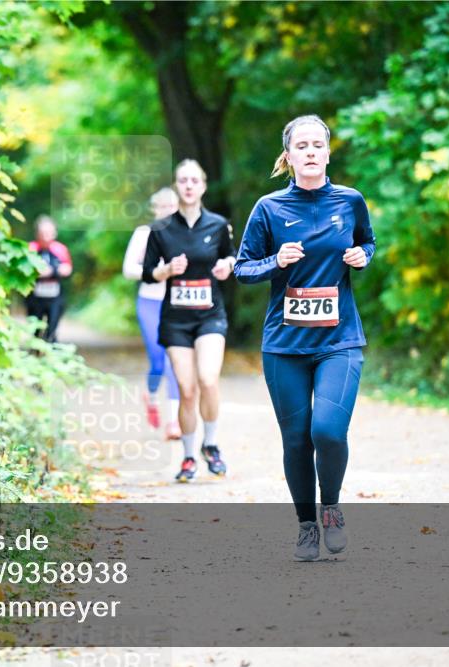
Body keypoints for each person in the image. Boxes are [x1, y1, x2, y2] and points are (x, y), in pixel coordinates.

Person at [234, 114, 376, 561]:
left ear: (328, 153)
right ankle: (306, 526)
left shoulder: (350, 201)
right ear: (289, 156)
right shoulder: (269, 208)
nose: (311, 151)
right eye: (302, 146)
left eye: (318, 145)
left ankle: (330, 507)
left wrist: (363, 255)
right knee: (296, 440)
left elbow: (368, 242)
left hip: (339, 341)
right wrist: (275, 261)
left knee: (328, 431)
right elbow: (243, 268)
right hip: (285, 346)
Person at [142, 159, 236, 482]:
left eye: (195, 180)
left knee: (208, 379)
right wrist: (167, 270)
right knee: (186, 388)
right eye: (183, 180)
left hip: (210, 315)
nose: (189, 186)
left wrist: (227, 266)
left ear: (204, 186)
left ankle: (211, 445)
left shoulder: (218, 224)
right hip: (176, 320)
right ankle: (187, 456)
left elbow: (231, 255)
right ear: (176, 186)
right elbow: (147, 273)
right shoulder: (161, 229)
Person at [123, 187, 181, 441]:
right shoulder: (144, 234)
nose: (167, 211)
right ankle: (152, 395)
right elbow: (128, 269)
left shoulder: (185, 234)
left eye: (172, 206)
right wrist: (157, 271)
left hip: (176, 303)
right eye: (162, 207)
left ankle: (174, 421)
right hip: (150, 302)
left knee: (173, 361)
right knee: (158, 360)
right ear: (155, 209)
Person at [26, 215, 72, 343]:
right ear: (37, 234)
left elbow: (67, 269)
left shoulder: (60, 249)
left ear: (54, 233)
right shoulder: (30, 249)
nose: (46, 237)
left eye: (49, 233)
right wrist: (53, 271)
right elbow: (25, 271)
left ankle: (51, 348)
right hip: (34, 297)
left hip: (55, 296)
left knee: (52, 328)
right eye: (43, 233)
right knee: (35, 329)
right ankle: (35, 349)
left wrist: (50, 272)